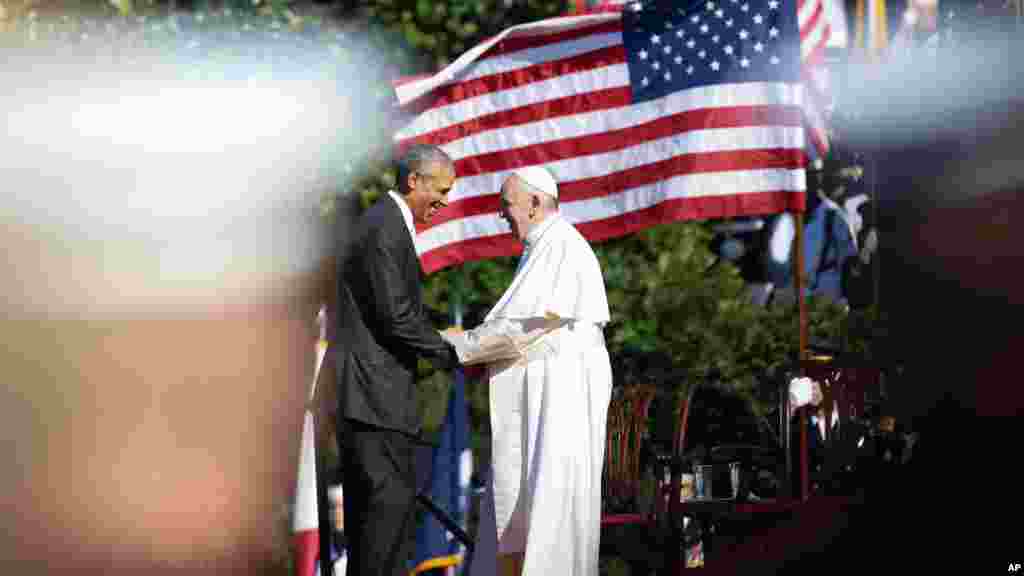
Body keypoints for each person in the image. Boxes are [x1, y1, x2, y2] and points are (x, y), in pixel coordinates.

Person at [452, 166, 612, 576]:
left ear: (536, 203)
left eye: (507, 205)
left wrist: (459, 344)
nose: (502, 215)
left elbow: (518, 328)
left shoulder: (560, 246)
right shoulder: (546, 246)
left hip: (560, 391)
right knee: (528, 503)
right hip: (547, 388)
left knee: (551, 506)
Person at [335, 144, 461, 576]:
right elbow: (396, 317)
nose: (445, 201)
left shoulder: (381, 224)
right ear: (415, 181)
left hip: (371, 399)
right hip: (374, 400)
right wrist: (453, 350)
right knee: (381, 537)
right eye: (441, 190)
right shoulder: (385, 227)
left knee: (377, 534)